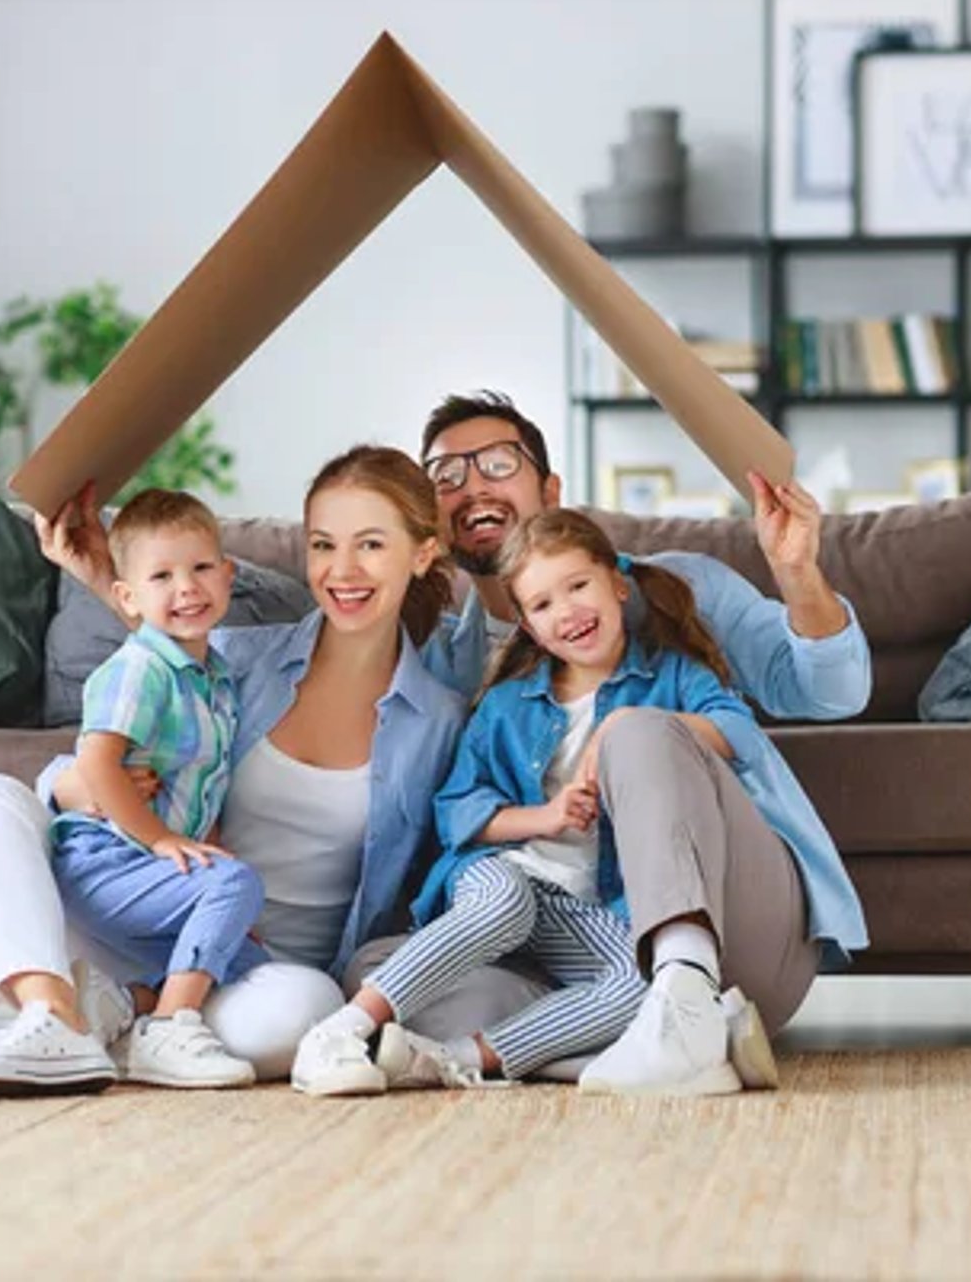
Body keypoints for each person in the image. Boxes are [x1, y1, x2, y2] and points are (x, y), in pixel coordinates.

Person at [0, 447, 466, 1094]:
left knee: (308, 1011)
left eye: (371, 545)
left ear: (422, 553)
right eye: (325, 545)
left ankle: (92, 1022)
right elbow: (154, 664)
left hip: (252, 972)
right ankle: (52, 1009)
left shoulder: (440, 719)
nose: (343, 569)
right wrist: (74, 785)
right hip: (142, 909)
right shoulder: (241, 660)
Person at [344, 389, 872, 1096]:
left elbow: (832, 693)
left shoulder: (678, 599)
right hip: (568, 941)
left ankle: (681, 997)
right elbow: (441, 811)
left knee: (640, 733)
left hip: (733, 925)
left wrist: (798, 572)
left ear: (550, 488)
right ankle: (600, 1043)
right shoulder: (444, 662)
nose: (472, 487)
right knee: (381, 972)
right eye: (446, 476)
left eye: (498, 463)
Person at [293, 510, 780, 1096]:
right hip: (507, 876)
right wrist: (546, 818)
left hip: (586, 907)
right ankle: (342, 1029)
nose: (568, 612)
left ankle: (458, 1058)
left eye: (578, 586)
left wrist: (633, 724)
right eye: (544, 605)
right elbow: (457, 809)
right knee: (506, 903)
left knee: (644, 981)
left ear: (617, 585)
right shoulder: (508, 705)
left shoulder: (671, 676)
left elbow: (742, 734)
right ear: (526, 625)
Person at [0, 490, 259, 1094]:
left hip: (150, 871)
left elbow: (207, 792)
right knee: (239, 882)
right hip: (105, 859)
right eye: (162, 576)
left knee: (250, 962)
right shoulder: (141, 667)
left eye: (200, 569)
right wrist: (162, 838)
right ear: (127, 597)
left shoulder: (219, 681)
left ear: (227, 576)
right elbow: (96, 762)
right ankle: (168, 1028)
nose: (187, 588)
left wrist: (201, 859)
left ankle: (109, 1008)